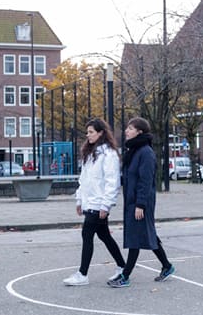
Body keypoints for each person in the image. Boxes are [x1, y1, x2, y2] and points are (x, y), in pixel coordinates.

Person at [107, 117, 175, 288]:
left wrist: (140, 204)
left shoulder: (146, 152)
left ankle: (125, 276)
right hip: (132, 201)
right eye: (127, 128)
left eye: (130, 128)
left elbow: (145, 181)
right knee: (147, 233)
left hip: (140, 202)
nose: (126, 131)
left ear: (139, 132)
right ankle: (167, 266)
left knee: (135, 237)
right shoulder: (135, 151)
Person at [63, 118, 125, 286]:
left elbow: (112, 182)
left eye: (91, 132)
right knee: (104, 235)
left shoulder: (109, 154)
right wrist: (79, 200)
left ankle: (83, 274)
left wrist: (106, 205)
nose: (88, 135)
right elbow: (84, 180)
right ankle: (122, 266)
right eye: (87, 132)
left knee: (87, 234)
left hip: (98, 203)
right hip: (90, 202)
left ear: (101, 133)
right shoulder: (90, 154)